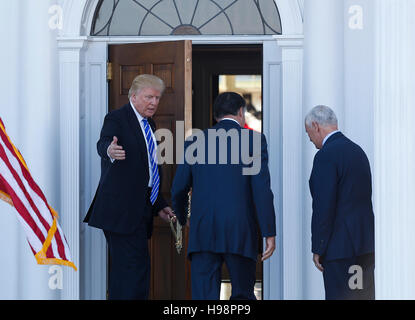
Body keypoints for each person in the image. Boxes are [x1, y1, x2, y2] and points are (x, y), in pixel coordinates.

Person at [171, 92, 276, 300]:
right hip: (241, 229)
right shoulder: (253, 141)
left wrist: (183, 219)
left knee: (204, 297)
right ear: (240, 112)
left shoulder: (195, 141)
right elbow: (261, 189)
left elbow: (178, 188)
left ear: (215, 115)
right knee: (242, 296)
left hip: (203, 229)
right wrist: (268, 231)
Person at [84, 74, 175, 300]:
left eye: (157, 98)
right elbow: (104, 142)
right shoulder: (117, 118)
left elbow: (147, 171)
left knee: (136, 271)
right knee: (130, 273)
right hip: (120, 210)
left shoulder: (149, 124)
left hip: (141, 209)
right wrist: (109, 151)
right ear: (133, 97)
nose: (154, 102)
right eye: (149, 97)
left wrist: (159, 205)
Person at [305, 105, 375, 300]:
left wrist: (318, 247)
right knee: (361, 297)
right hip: (364, 247)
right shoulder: (357, 151)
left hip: (339, 250)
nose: (309, 138)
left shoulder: (325, 156)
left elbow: (323, 206)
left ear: (316, 126)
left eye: (308, 132)